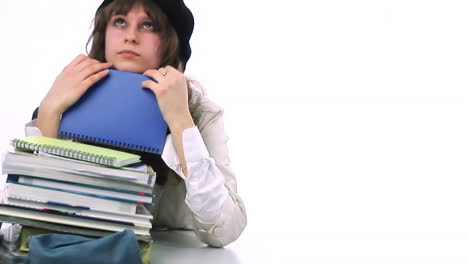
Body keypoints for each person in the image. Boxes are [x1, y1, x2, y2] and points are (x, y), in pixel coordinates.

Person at [26, 0, 247, 248]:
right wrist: (49, 111)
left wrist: (180, 121)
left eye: (148, 25)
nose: (130, 37)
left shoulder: (200, 112)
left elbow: (225, 230)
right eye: (120, 21)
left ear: (171, 42)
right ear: (103, 33)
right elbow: (28, 210)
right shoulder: (69, 96)